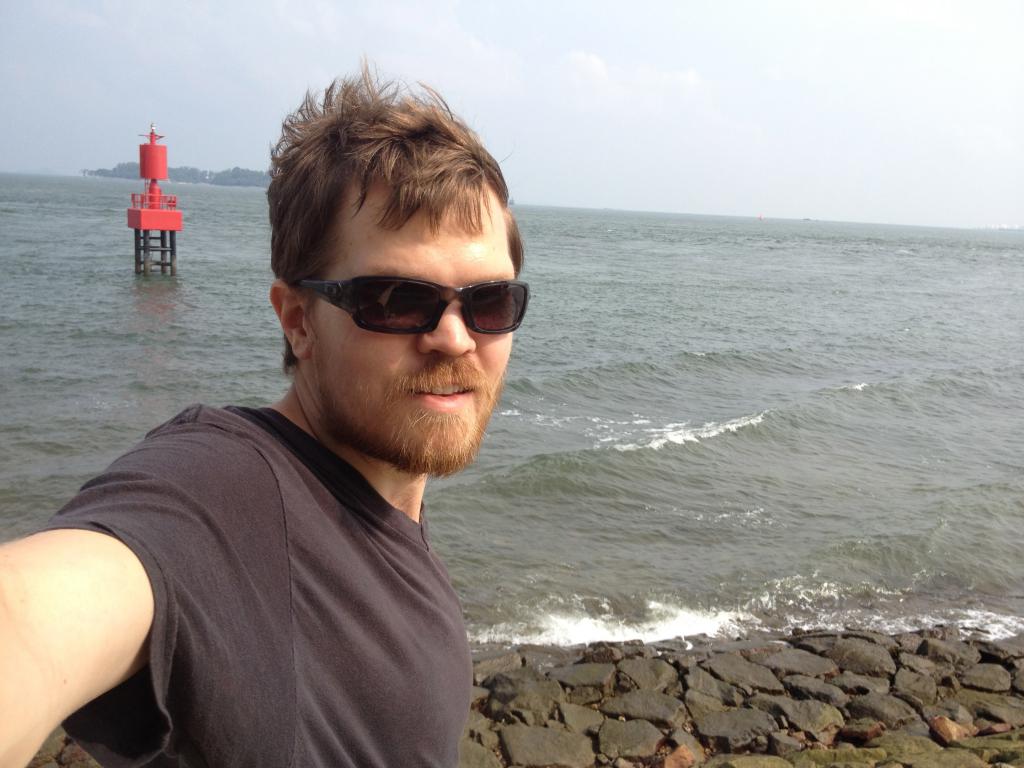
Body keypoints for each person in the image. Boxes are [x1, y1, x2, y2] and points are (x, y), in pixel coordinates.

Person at [0, 67, 528, 768]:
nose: (455, 337)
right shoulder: (224, 488)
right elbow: (32, 618)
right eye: (398, 299)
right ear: (298, 321)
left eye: (488, 303)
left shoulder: (382, 498)